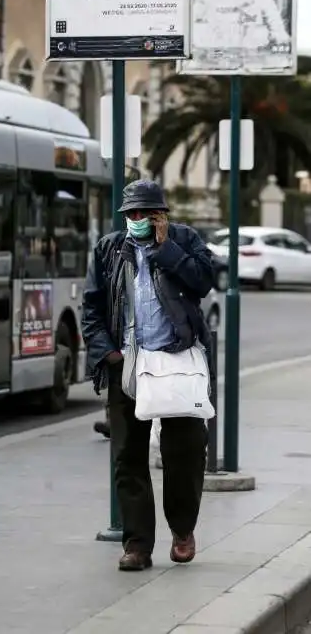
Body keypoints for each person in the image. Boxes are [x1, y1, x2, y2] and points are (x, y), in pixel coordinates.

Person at [82, 180, 215, 572]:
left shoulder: (184, 240)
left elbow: (203, 281)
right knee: (128, 455)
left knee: (187, 449)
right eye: (132, 214)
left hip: (176, 359)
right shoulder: (109, 249)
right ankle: (137, 545)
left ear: (162, 215)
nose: (137, 220)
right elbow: (91, 308)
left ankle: (183, 530)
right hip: (128, 363)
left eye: (146, 213)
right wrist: (108, 354)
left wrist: (164, 249)